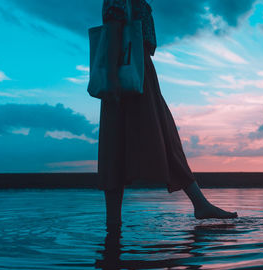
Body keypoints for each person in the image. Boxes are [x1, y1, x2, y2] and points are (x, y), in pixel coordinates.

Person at [97, 0, 237, 230]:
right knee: (134, 142)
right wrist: (112, 78)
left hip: (136, 71)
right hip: (128, 72)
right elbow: (114, 29)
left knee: (135, 141)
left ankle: (114, 222)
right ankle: (114, 221)